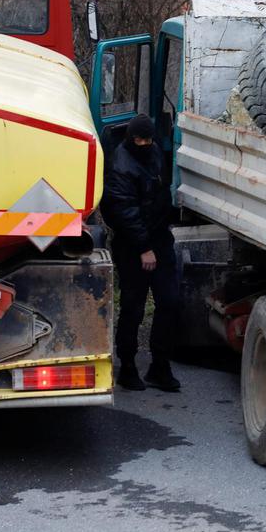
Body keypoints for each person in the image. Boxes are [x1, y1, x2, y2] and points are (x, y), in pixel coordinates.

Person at [101, 113, 181, 392]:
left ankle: (160, 365)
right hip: (133, 245)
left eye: (147, 139)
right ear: (130, 138)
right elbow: (124, 211)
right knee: (133, 308)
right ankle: (128, 366)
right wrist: (144, 248)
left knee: (169, 302)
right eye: (139, 139)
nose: (144, 143)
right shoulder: (121, 165)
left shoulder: (155, 153)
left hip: (159, 237)